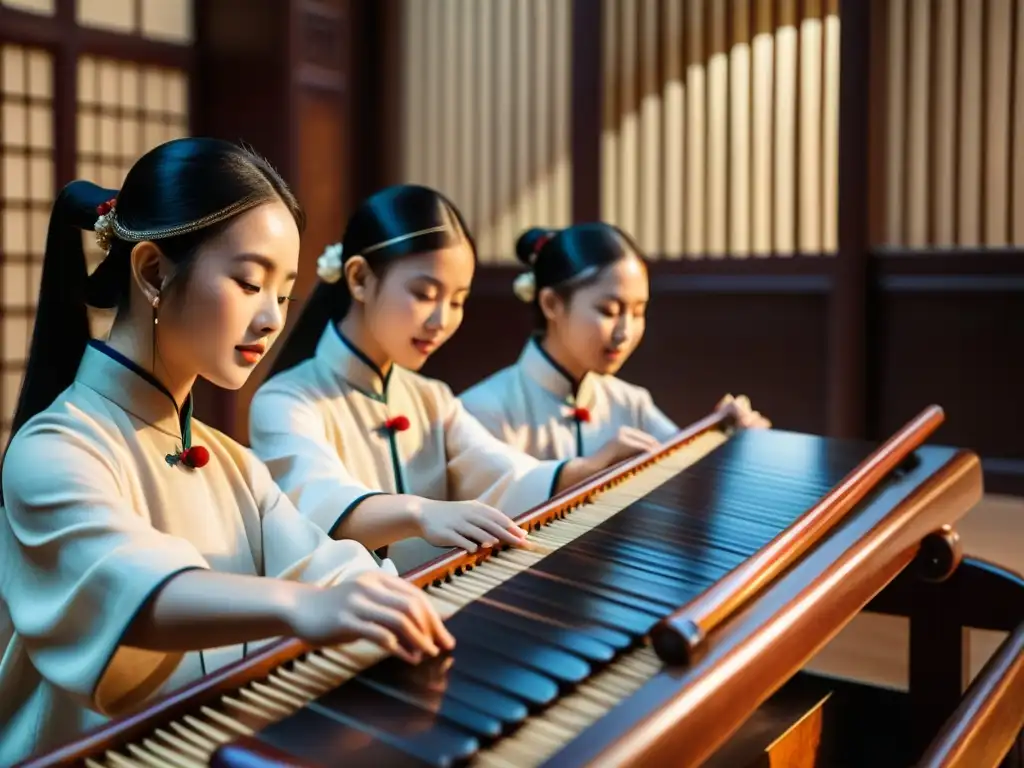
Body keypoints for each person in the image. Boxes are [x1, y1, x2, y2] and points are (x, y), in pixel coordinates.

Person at [0, 139, 453, 765]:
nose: (271, 319)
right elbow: (134, 594)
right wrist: (304, 607)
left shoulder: (233, 463)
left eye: (284, 292)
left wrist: (399, 605)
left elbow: (327, 567)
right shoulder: (53, 450)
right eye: (249, 282)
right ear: (154, 272)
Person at [249, 185, 648, 571]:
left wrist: (584, 469)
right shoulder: (285, 400)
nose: (442, 321)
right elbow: (319, 496)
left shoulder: (432, 399)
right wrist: (420, 512)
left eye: (457, 301)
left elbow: (500, 470)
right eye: (424, 294)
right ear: (359, 279)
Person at [458, 224, 770, 462]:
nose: (625, 332)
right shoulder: (484, 410)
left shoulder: (631, 403)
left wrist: (725, 438)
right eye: (608, 311)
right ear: (551, 304)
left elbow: (686, 473)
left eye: (637, 312)